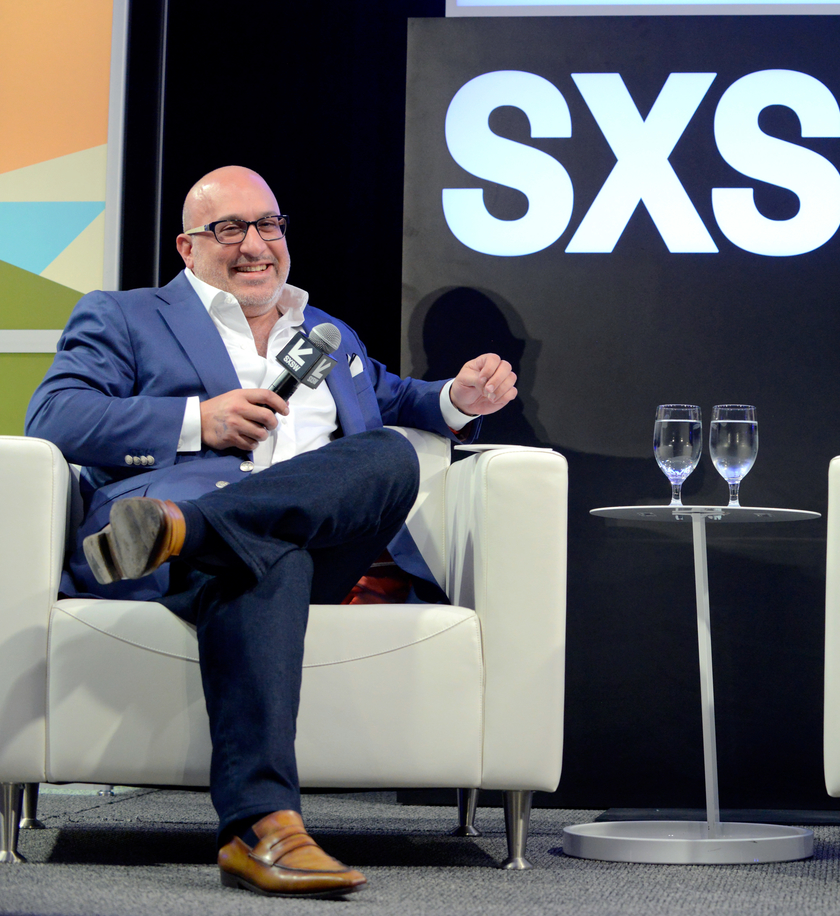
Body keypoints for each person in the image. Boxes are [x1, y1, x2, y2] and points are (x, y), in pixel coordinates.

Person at [25, 166, 519, 899]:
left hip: (227, 541)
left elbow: (394, 397)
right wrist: (199, 419)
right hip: (187, 561)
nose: (256, 244)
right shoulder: (126, 316)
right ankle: (265, 828)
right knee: (268, 557)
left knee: (386, 453)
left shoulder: (329, 334)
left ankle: (190, 529)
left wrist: (456, 398)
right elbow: (55, 417)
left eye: (269, 225)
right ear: (187, 247)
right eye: (230, 229)